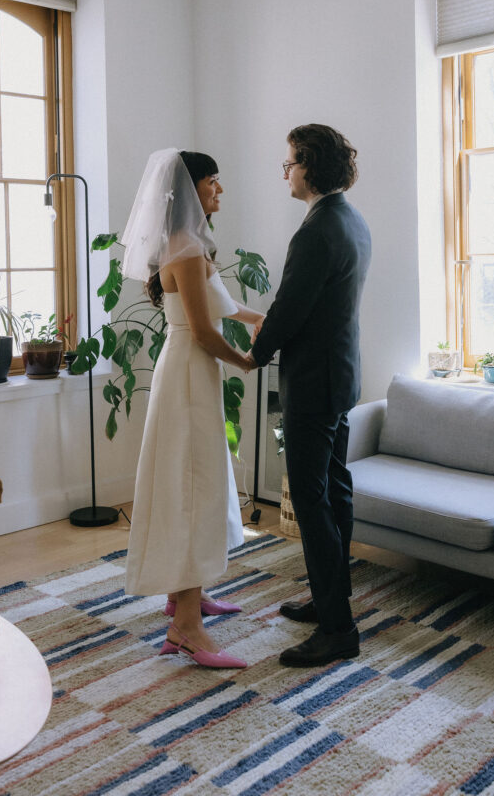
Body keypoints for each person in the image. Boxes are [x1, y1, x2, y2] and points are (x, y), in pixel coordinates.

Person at [122, 148, 264, 670]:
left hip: (190, 371)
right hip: (187, 370)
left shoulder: (190, 244)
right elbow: (204, 331)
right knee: (190, 486)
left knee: (199, 483)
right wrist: (245, 362)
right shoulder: (183, 249)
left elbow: (218, 305)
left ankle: (188, 597)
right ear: (189, 191)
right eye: (212, 182)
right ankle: (186, 628)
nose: (219, 191)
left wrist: (257, 318)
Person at [246, 124, 371, 668]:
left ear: (311, 166)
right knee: (335, 492)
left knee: (313, 499)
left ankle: (338, 630)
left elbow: (289, 308)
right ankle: (329, 602)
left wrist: (254, 356)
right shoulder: (352, 220)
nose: (285, 171)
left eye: (291, 162)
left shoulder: (316, 230)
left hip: (315, 385)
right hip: (340, 377)